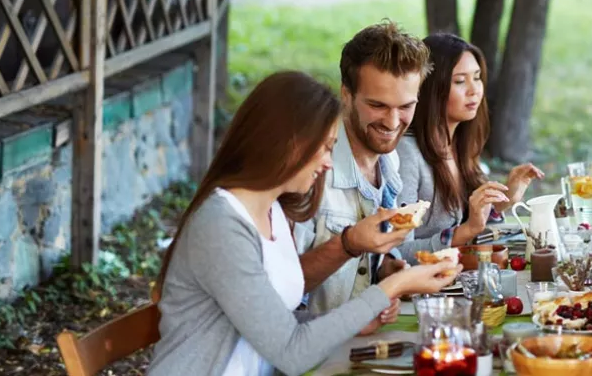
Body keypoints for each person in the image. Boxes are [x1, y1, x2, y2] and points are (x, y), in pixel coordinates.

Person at [149, 71, 459, 376]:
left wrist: (354, 318)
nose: (327, 162)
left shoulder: (272, 212)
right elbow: (291, 352)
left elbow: (274, 322)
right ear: (287, 142)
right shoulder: (221, 224)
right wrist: (396, 286)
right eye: (325, 147)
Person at [293, 20, 431, 334]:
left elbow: (367, 262)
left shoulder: (390, 161)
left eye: (406, 106)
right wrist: (348, 245)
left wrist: (384, 270)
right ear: (346, 94)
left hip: (359, 345)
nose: (393, 122)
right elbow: (278, 288)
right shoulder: (309, 172)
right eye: (377, 105)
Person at [394, 33, 544, 260]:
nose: (474, 90)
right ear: (432, 88)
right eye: (460, 81)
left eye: (477, 77)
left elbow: (471, 231)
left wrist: (502, 204)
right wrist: (467, 231)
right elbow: (397, 254)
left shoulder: (462, 146)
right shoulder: (407, 155)